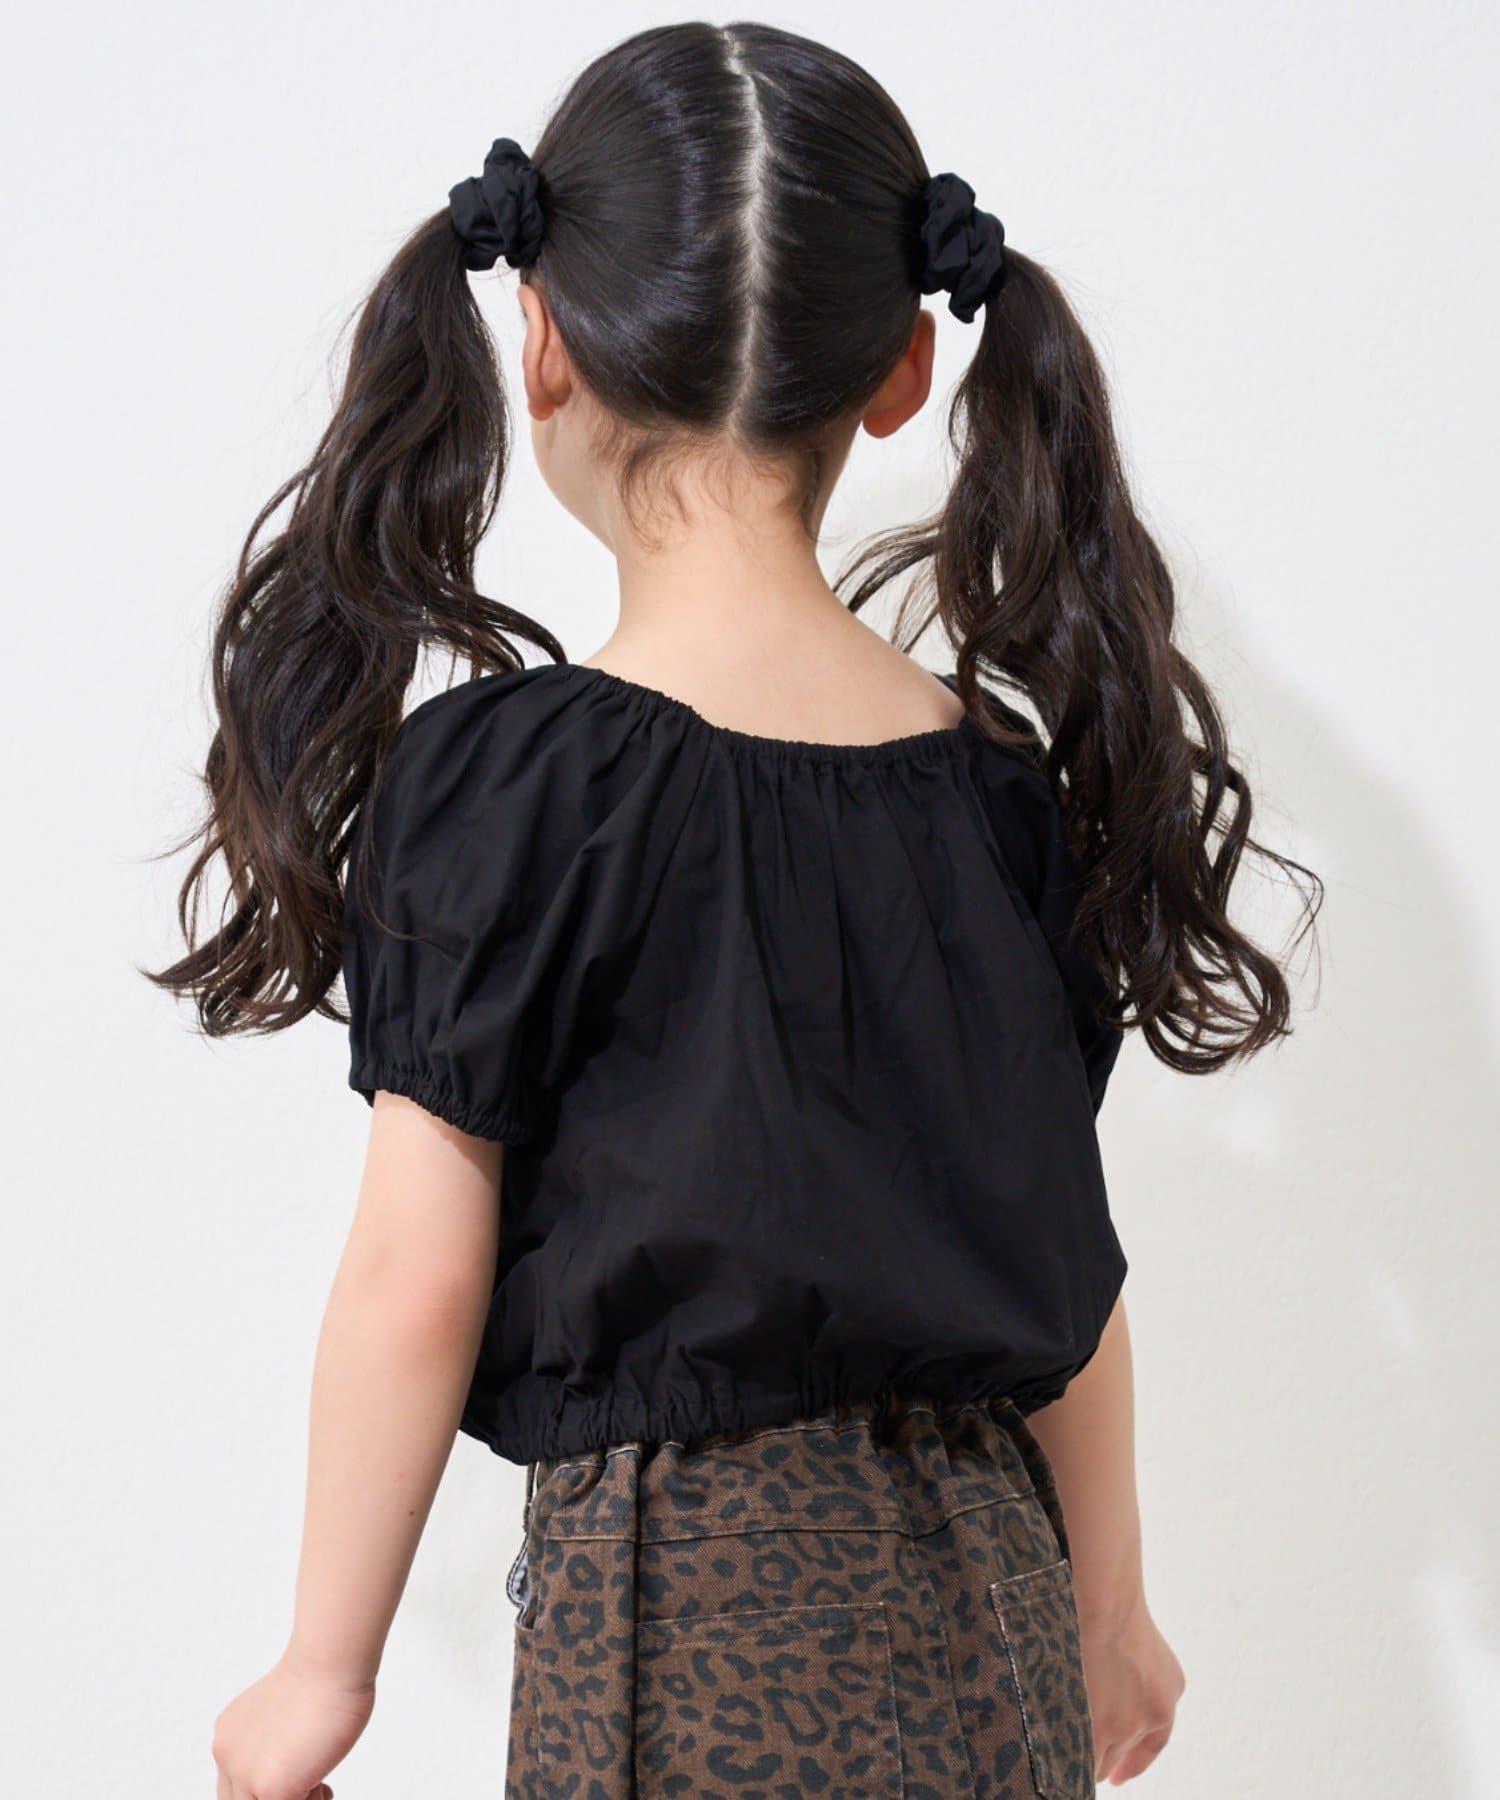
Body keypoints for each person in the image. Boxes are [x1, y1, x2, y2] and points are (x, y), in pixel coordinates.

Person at [156, 23, 1317, 1799]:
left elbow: (415, 1273)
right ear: (905, 368)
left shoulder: (514, 782)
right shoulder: (995, 794)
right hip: (995, 1609)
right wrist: (1111, 1608)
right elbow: (1063, 1265)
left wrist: (325, 1666)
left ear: (542, 342)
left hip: (685, 1623)